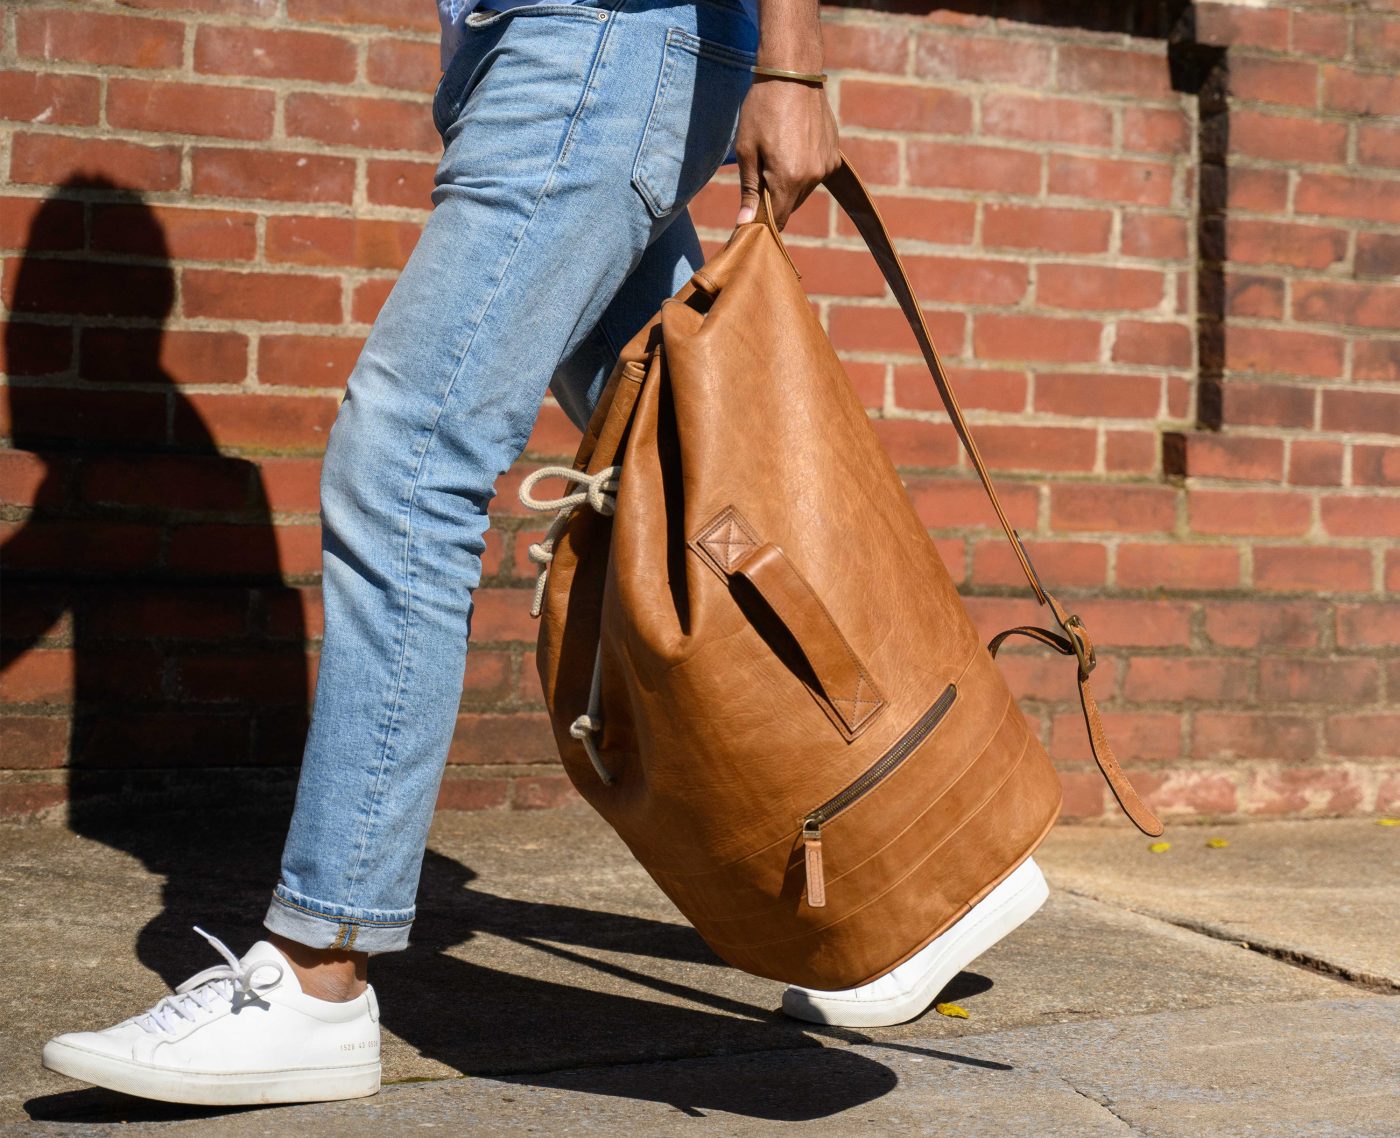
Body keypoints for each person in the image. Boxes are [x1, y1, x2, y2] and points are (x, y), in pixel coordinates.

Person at [41, 0, 1048, 1105]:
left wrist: (794, 63)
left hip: (594, 42)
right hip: (553, 51)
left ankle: (318, 973)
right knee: (701, 486)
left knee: (407, 458)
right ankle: (915, 862)